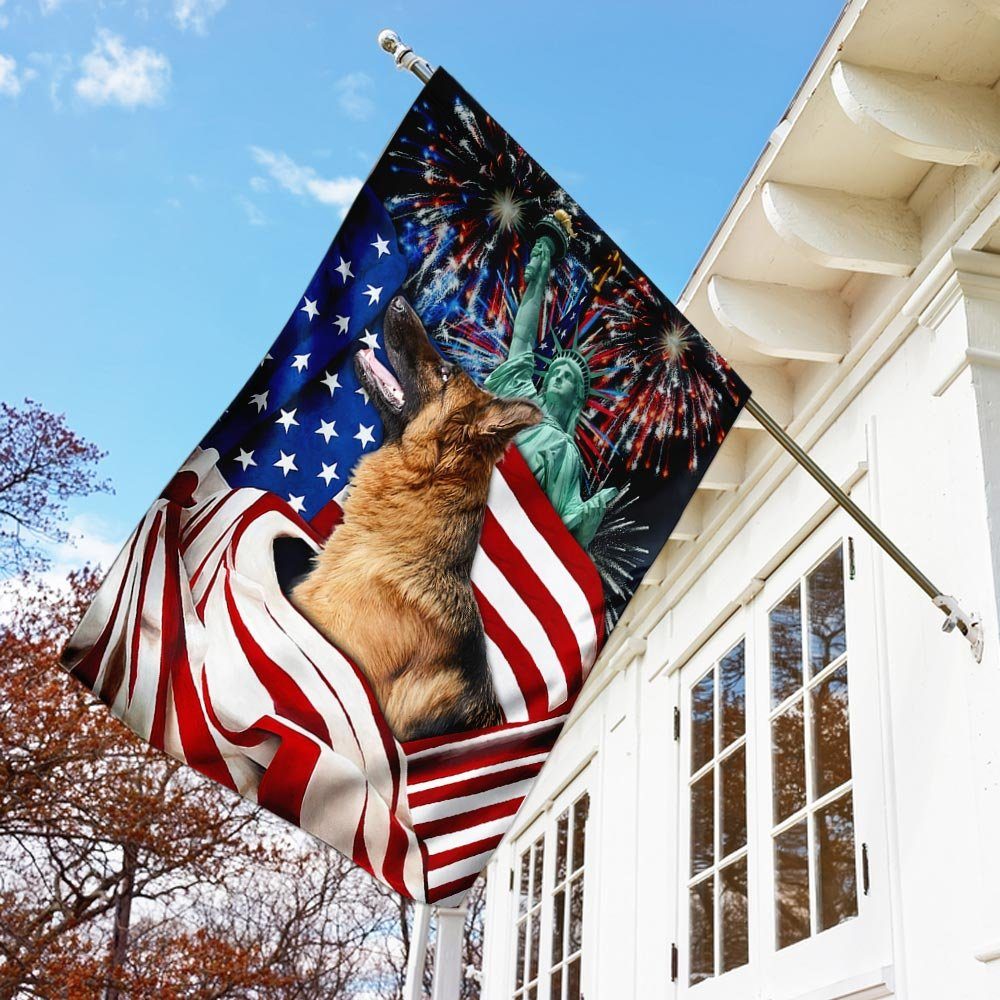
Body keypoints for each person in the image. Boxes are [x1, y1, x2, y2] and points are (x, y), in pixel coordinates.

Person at [484, 211, 617, 548]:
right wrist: (539, 280)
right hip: (477, 489)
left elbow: (566, 525)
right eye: (556, 371)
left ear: (577, 399)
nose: (558, 374)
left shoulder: (568, 455)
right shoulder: (522, 401)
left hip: (509, 530)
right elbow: (523, 340)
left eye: (568, 376)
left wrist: (592, 512)